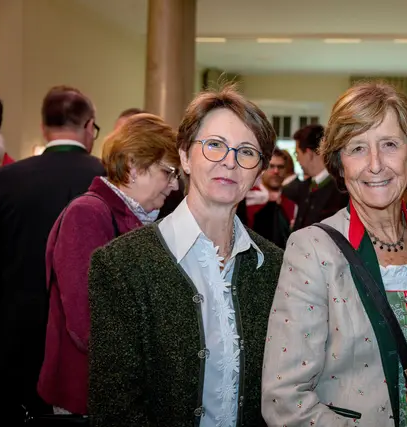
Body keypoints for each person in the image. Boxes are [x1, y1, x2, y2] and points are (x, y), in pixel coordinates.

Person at [262, 82, 407, 427]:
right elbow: (284, 398)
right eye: (357, 148)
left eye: (389, 144)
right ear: (340, 163)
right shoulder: (310, 249)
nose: (375, 165)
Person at [88, 86, 284, 427]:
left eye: (247, 152)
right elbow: (115, 409)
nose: (229, 161)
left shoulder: (274, 266)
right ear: (184, 157)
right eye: (215, 145)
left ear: (258, 171)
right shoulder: (122, 264)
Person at [37, 113, 180, 415]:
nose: (174, 185)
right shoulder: (87, 214)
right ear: (133, 167)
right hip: (89, 394)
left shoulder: (137, 219)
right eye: (168, 172)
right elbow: (86, 321)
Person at [0, 85, 104, 422]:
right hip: (84, 347)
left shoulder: (3, 180)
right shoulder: (106, 178)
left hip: (13, 337)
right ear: (89, 126)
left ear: (44, 127)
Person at [282, 124, 349, 230]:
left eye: (297, 153)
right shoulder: (305, 186)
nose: (297, 160)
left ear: (308, 154)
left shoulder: (341, 189)